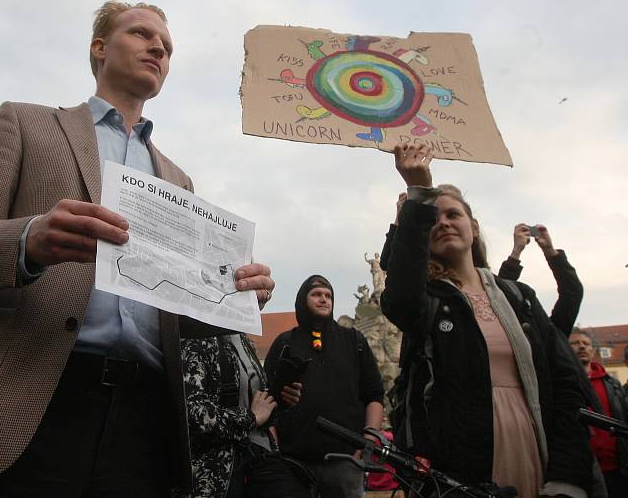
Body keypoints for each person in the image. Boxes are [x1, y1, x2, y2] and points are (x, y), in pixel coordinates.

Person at [0, 1, 275, 497]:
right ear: (99, 48)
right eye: (141, 33)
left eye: (167, 46)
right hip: (24, 397)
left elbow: (170, 316)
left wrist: (230, 299)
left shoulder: (179, 181)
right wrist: (27, 240)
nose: (159, 47)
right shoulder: (26, 124)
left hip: (141, 424)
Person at [382, 140, 592, 497]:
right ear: (422, 234)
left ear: (473, 227)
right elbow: (399, 299)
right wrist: (417, 194)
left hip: (532, 448)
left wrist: (568, 477)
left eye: (453, 215)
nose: (444, 223)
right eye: (434, 218)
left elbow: (567, 385)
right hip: (460, 468)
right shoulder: (429, 300)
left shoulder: (519, 297)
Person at [265, 275, 384, 498]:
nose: (323, 299)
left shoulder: (354, 341)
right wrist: (275, 448)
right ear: (303, 300)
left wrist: (367, 443)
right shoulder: (285, 342)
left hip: (346, 461)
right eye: (316, 294)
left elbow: (374, 394)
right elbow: (265, 395)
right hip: (294, 461)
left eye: (328, 295)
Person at [176, 334, 312, 498]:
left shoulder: (242, 339)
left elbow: (254, 407)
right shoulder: (195, 337)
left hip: (261, 458)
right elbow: (193, 415)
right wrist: (250, 418)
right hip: (219, 473)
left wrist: (278, 401)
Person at [569, 328, 628, 497]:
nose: (581, 347)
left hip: (618, 469)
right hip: (583, 470)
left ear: (592, 350)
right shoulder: (563, 384)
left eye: (585, 343)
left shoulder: (613, 384)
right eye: (575, 343)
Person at [498, 223, 583, 336]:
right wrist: (516, 251)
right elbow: (501, 297)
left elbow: (572, 292)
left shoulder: (552, 337)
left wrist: (550, 250)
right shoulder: (510, 335)